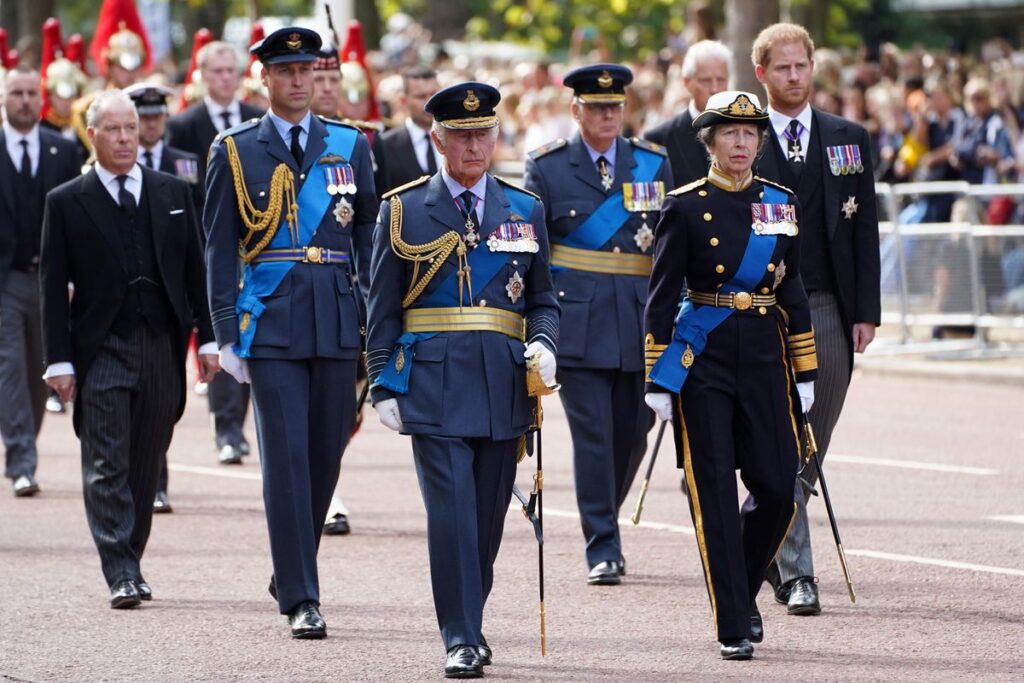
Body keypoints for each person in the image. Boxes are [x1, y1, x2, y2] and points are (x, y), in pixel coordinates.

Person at [366, 82, 558, 679]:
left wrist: (545, 342)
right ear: (438, 139)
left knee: (487, 518)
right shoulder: (402, 210)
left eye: (483, 134)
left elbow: (544, 298)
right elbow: (382, 305)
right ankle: (462, 637)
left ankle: (469, 619)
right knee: (450, 513)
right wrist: (381, 381)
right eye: (462, 136)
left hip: (502, 382)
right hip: (433, 380)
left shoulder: (524, 209)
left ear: (497, 137)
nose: (474, 146)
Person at [204, 26, 377, 639]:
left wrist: (374, 326)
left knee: (326, 453)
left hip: (333, 317)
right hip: (271, 321)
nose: (299, 80)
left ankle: (291, 563)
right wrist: (224, 334)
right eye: (287, 71)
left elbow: (369, 243)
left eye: (307, 70)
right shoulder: (235, 149)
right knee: (284, 459)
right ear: (266, 79)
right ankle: (302, 595)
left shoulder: (351, 146)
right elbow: (219, 250)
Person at [644, 90, 817, 660]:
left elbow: (790, 287)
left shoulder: (779, 203)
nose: (741, 144)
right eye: (729, 134)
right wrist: (657, 377)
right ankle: (732, 622)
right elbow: (662, 295)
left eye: (750, 134)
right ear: (710, 143)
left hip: (766, 353)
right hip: (706, 360)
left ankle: (741, 586)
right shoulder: (684, 205)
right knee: (714, 490)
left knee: (777, 484)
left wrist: (806, 366)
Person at [39, 89, 219, 608]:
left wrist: (208, 339)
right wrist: (59, 359)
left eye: (131, 128)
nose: (125, 137)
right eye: (113, 129)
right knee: (105, 460)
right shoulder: (66, 201)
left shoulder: (170, 192)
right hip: (100, 347)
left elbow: (194, 273)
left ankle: (130, 558)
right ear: (91, 135)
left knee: (146, 458)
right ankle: (119, 568)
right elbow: (52, 289)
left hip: (161, 343)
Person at [523, 63, 672, 586]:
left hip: (639, 318)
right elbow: (535, 252)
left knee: (635, 433)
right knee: (593, 437)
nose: (607, 115)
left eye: (614, 107)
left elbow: (671, 247)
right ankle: (603, 546)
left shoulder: (654, 164)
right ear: (576, 110)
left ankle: (602, 514)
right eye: (596, 107)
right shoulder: (548, 167)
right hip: (578, 321)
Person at [751, 22, 880, 616]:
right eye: (783, 68)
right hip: (763, 311)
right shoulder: (740, 137)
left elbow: (864, 234)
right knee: (781, 434)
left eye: (801, 65)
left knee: (813, 439)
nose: (795, 77)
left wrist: (867, 313)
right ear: (762, 74)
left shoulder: (847, 138)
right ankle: (799, 571)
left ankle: (766, 533)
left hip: (829, 307)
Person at [167, 40, 263, 466]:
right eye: (217, 70)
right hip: (208, 246)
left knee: (252, 331)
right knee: (220, 329)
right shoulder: (184, 125)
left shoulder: (256, 121)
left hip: (255, 248)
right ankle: (226, 428)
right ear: (202, 75)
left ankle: (241, 424)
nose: (225, 77)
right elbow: (180, 190)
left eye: (231, 70)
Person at [124, 82, 204, 513]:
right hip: (129, 292)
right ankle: (144, 477)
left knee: (165, 394)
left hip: (173, 294)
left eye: (157, 117)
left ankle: (156, 470)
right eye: (144, 117)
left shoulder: (184, 164)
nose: (152, 124)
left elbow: (200, 230)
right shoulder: (117, 163)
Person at [0, 65, 80, 497]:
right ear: (4, 99)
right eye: (17, 93)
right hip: (5, 280)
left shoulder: (61, 152)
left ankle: (24, 443)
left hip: (49, 282)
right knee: (9, 367)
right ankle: (21, 462)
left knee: (37, 373)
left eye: (32, 93)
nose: (26, 101)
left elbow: (74, 221)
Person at [644, 40, 732, 185]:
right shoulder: (659, 139)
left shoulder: (747, 133)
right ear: (686, 82)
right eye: (706, 81)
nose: (715, 88)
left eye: (721, 80)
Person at [380, 65, 442, 191]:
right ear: (403, 100)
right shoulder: (384, 145)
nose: (429, 102)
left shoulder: (455, 140)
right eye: (421, 96)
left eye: (434, 95)